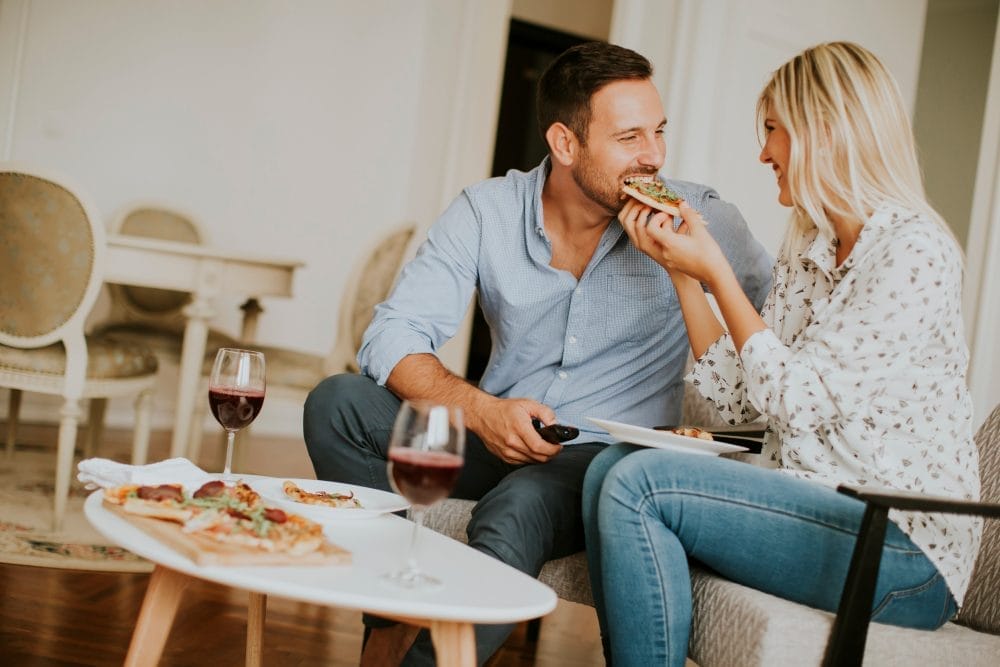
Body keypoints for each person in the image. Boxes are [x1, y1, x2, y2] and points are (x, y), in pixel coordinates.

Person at [303, 41, 772, 666]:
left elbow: (776, 332)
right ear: (565, 143)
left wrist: (697, 277)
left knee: (518, 505)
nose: (654, 156)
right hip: (493, 432)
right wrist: (482, 412)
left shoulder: (704, 221)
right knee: (337, 403)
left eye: (658, 132)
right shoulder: (487, 210)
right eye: (629, 137)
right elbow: (392, 334)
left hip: (603, 461)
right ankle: (390, 610)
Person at [582, 41, 983, 666]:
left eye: (773, 130)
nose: (763, 152)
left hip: (902, 548)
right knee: (606, 468)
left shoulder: (913, 253)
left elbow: (796, 399)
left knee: (640, 484)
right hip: (819, 504)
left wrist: (717, 271)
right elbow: (745, 400)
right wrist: (680, 272)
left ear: (824, 130)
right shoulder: (810, 245)